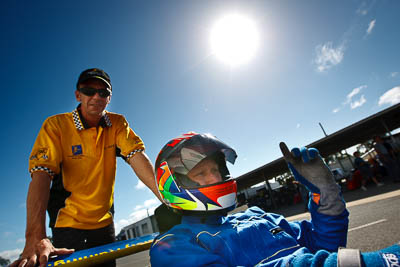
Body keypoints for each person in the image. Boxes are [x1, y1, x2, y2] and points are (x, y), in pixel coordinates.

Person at [150, 132, 400, 266]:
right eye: (201, 174)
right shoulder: (172, 245)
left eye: (216, 170)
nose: (214, 178)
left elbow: (326, 244)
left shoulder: (258, 216)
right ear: (174, 185)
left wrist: (325, 192)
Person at [11, 68, 160, 267]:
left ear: (109, 98)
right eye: (89, 90)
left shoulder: (117, 123)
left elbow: (136, 156)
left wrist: (167, 198)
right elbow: (41, 175)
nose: (96, 96)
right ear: (78, 95)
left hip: (105, 225)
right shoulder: (55, 126)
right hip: (68, 227)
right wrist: (36, 236)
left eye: (103, 92)